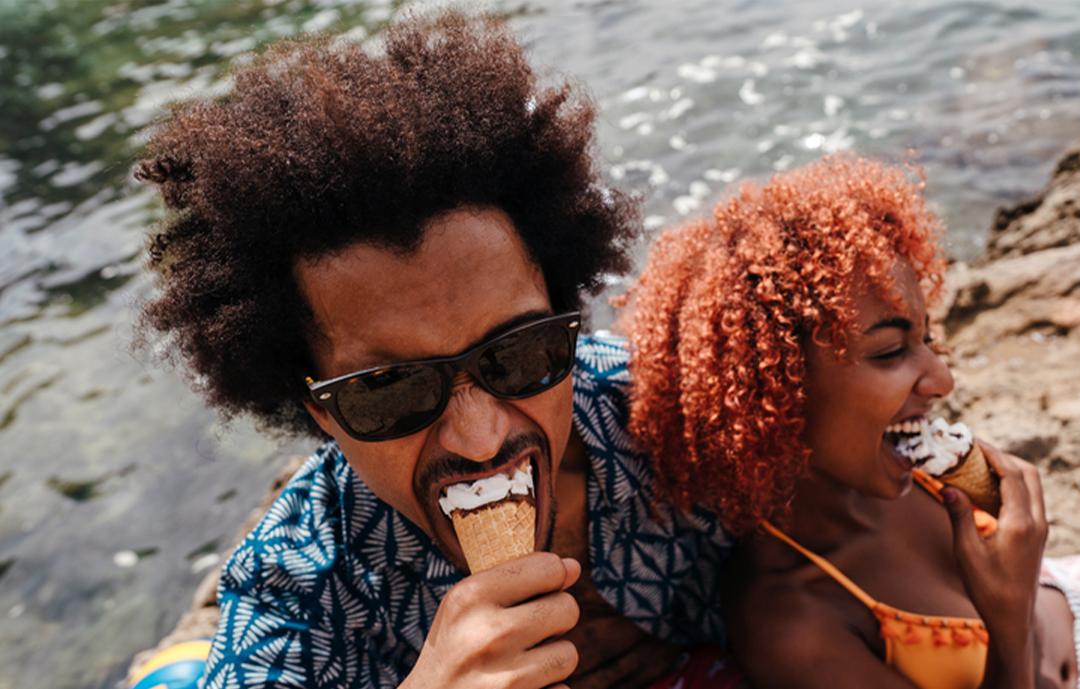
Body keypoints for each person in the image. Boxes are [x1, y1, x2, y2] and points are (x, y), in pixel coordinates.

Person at [133, 13, 735, 689]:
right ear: (320, 412)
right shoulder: (297, 592)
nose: (481, 440)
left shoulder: (691, 414)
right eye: (390, 389)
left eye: (518, 351)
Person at [622, 155, 1080, 689]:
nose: (941, 380)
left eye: (927, 337)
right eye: (890, 351)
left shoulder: (905, 470)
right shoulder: (791, 617)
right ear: (778, 394)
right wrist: (1007, 621)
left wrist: (1039, 578)